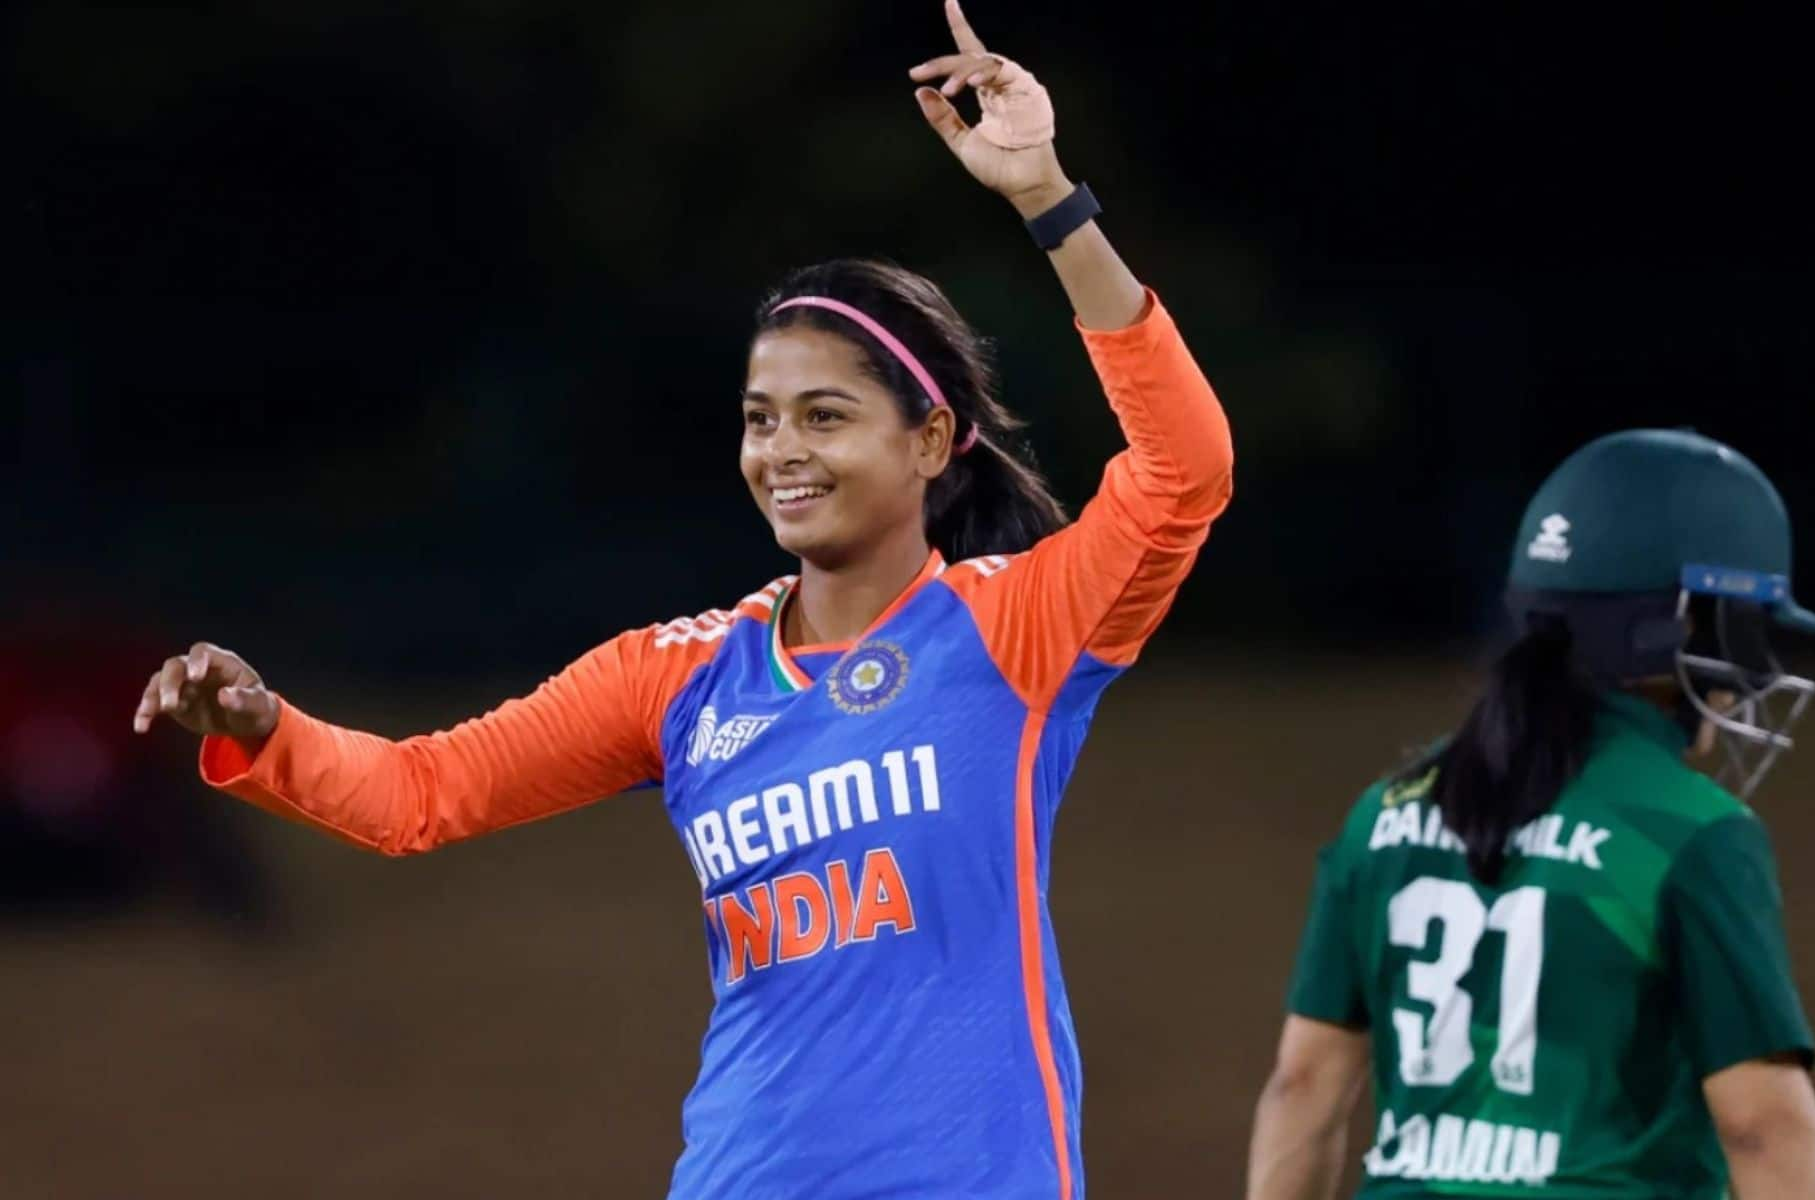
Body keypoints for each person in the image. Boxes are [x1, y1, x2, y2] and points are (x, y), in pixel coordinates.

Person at [132, 3, 1232, 1196]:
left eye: (825, 415)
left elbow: (1186, 472)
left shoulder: (1009, 628)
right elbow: (421, 793)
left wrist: (1048, 201)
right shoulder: (681, 674)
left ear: (930, 442)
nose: (781, 451)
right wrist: (263, 727)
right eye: (761, 418)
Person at [1245, 429, 1815, 1200]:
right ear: (1685, 621)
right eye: (1750, 623)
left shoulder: (1385, 812)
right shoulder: (1691, 832)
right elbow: (1761, 1128)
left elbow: (1304, 1088)